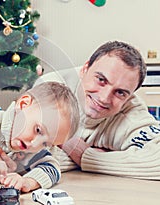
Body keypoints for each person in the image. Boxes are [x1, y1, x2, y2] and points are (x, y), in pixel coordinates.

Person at [35, 40, 160, 180]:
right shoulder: (49, 88)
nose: (104, 98)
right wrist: (112, 156)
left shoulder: (131, 112)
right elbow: (22, 155)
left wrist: (85, 155)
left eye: (120, 92)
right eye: (101, 79)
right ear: (85, 69)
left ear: (130, 96)